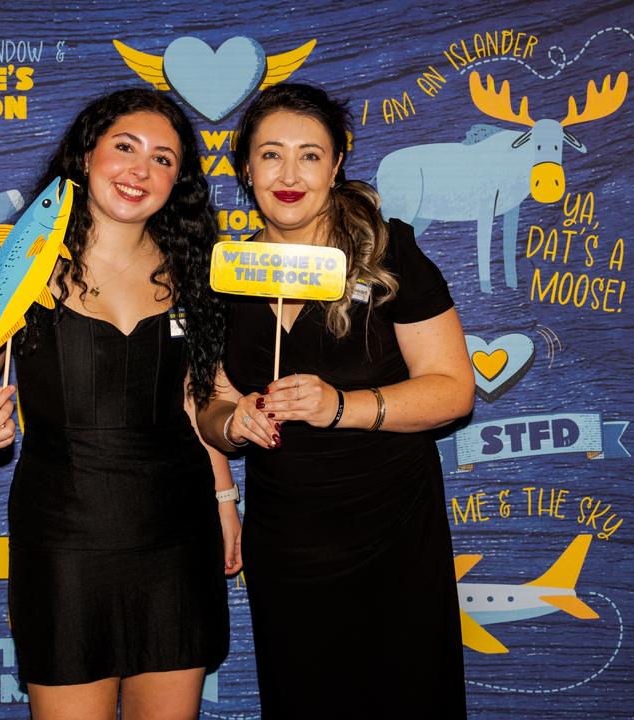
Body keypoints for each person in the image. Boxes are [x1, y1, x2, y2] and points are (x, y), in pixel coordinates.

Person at [0, 88, 240, 720]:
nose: (139, 170)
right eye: (125, 147)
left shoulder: (197, 272)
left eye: (163, 159)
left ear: (177, 182)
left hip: (178, 532)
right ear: (86, 153)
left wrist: (225, 500)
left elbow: (195, 402)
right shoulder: (19, 266)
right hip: (65, 533)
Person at [197, 83, 475, 718]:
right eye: (271, 155)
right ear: (245, 166)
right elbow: (210, 405)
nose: (289, 175)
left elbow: (454, 390)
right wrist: (233, 422)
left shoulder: (386, 251)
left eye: (309, 155)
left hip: (392, 534)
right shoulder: (226, 274)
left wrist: (339, 406)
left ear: (337, 163)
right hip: (287, 540)